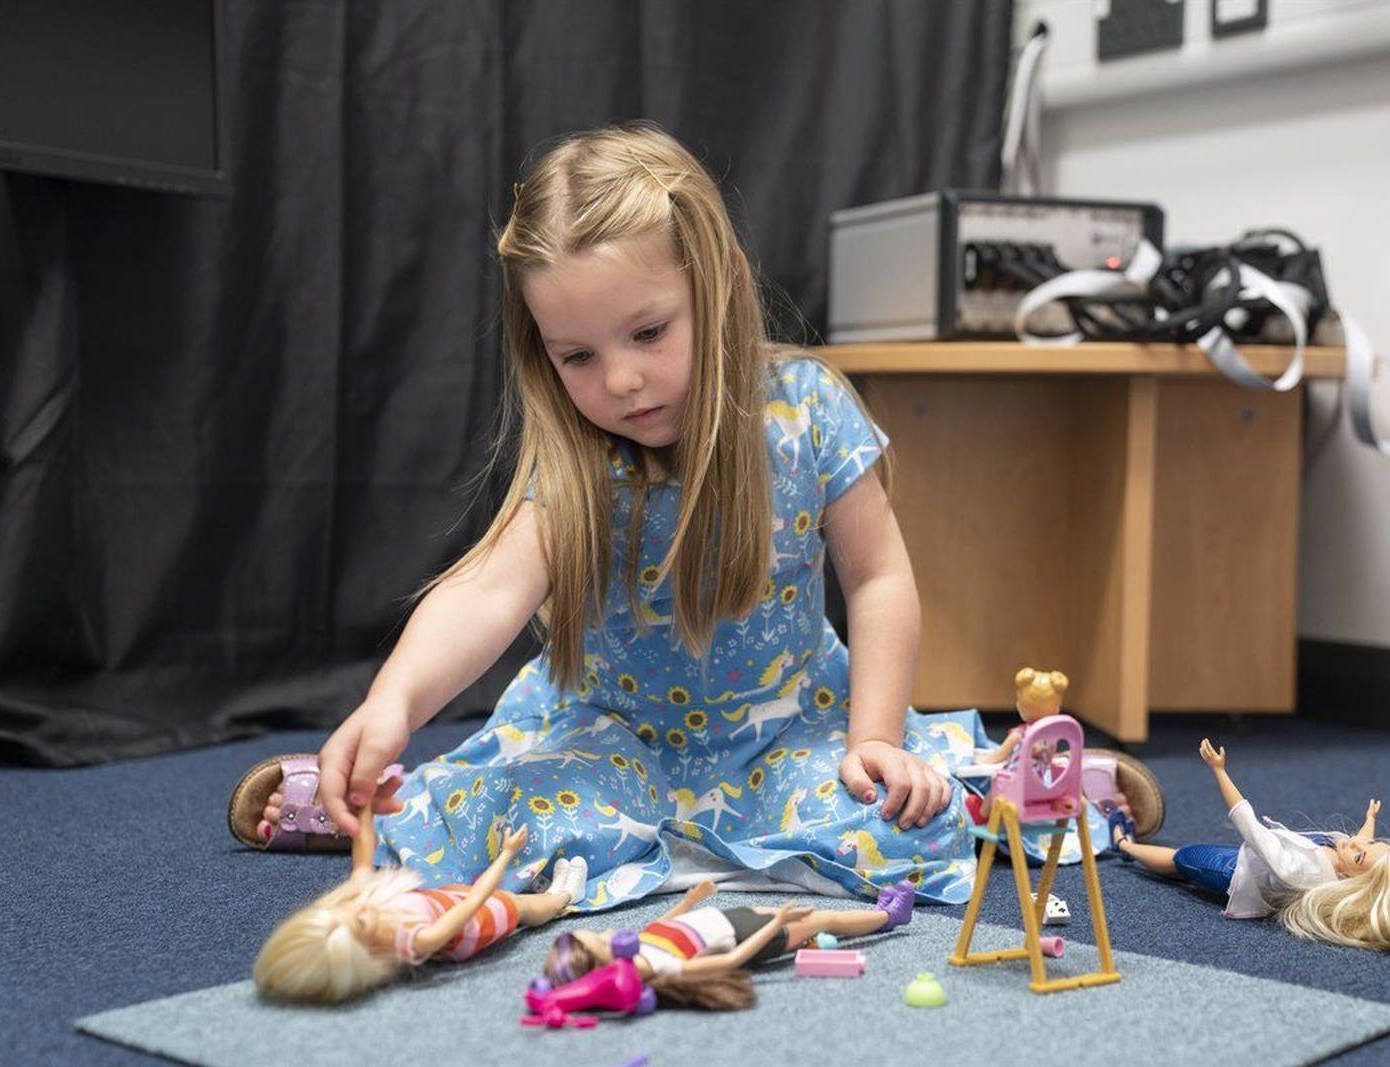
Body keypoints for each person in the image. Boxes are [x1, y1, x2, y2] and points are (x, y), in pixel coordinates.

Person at [233, 121, 1001, 907]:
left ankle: (1039, 786)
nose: (624, 380)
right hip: (612, 743)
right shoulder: (581, 464)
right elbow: (486, 592)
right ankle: (365, 802)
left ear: (725, 284)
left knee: (903, 808)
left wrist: (873, 739)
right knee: (533, 817)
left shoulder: (808, 408)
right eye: (579, 356)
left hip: (786, 733)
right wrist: (390, 701)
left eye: (648, 331)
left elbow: (876, 579)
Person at [252, 782, 589, 1002]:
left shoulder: (361, 905)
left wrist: (364, 802)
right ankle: (564, 897)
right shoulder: (417, 940)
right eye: (361, 925)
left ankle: (554, 896)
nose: (359, 908)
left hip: (441, 900)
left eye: (345, 911)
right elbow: (475, 902)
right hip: (474, 923)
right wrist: (506, 854)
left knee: (467, 891)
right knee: (520, 906)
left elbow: (363, 849)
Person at [1112, 738, 1390, 952]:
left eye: (1359, 853)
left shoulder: (1303, 872)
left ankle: (1124, 845)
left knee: (1182, 859)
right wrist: (1370, 819)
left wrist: (1219, 771)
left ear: (1351, 879)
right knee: (1180, 869)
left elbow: (1249, 825)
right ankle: (1145, 855)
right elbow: (1362, 843)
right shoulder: (1348, 865)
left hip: (1233, 872)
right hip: (1252, 863)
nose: (1353, 842)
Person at [540, 878, 915, 1009]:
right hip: (746, 934)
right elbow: (733, 959)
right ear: (607, 968)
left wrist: (689, 901)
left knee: (818, 917)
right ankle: (889, 918)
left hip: (725, 918)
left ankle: (878, 914)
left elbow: (660, 928)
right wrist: (777, 927)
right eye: (601, 940)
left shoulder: (635, 951)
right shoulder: (664, 971)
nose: (609, 933)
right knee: (824, 919)